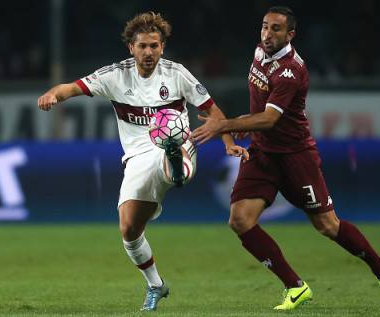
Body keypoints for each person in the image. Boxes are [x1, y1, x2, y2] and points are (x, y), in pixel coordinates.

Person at [192, 6, 380, 310]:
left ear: (291, 34)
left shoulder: (291, 71)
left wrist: (226, 125)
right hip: (263, 152)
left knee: (327, 226)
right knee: (240, 220)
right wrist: (241, 127)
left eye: (276, 29)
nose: (267, 34)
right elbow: (259, 116)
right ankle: (295, 286)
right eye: (264, 27)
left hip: (295, 157)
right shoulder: (258, 53)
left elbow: (268, 119)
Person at [38, 12, 248, 311]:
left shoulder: (177, 74)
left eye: (154, 46)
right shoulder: (114, 76)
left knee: (172, 148)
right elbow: (70, 88)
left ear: (162, 47)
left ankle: (177, 165)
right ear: (131, 48)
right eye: (142, 46)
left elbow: (213, 111)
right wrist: (52, 95)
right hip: (137, 156)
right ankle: (156, 285)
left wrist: (228, 143)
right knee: (129, 230)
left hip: (178, 144)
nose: (148, 52)